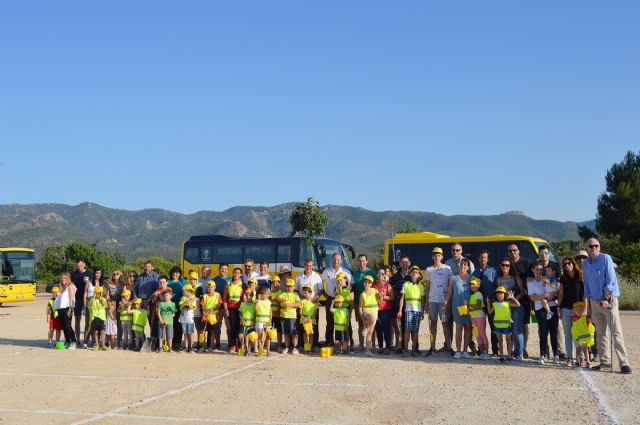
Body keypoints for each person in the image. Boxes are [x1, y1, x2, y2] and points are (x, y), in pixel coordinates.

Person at [583, 238, 632, 374]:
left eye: (596, 245)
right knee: (600, 333)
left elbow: (611, 281)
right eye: (590, 246)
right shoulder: (586, 263)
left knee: (616, 332)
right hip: (594, 301)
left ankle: (624, 363)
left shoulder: (606, 259)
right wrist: (589, 306)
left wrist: (606, 298)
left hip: (608, 300)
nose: (593, 248)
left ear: (599, 247)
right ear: (587, 248)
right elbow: (586, 284)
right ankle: (605, 362)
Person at [528, 262, 560, 365]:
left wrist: (542, 296)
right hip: (539, 309)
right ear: (533, 270)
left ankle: (556, 355)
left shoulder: (548, 280)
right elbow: (532, 298)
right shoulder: (530, 283)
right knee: (543, 332)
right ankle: (542, 354)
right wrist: (545, 296)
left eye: (541, 269)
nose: (539, 271)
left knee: (554, 332)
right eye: (537, 269)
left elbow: (554, 293)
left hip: (553, 307)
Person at [495, 258, 526, 361]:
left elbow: (522, 291)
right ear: (500, 266)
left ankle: (520, 352)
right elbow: (499, 294)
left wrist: (513, 300)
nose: (505, 267)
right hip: (504, 308)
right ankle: (510, 352)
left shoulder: (515, 278)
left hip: (516, 306)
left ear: (510, 267)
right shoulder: (499, 279)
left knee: (517, 330)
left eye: (507, 265)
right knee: (509, 331)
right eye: (503, 265)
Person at [424, 247, 453, 356]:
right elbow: (427, 287)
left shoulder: (447, 268)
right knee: (433, 324)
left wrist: (447, 300)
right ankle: (432, 347)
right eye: (435, 255)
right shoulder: (428, 270)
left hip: (443, 301)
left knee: (445, 324)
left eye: (439, 255)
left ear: (442, 256)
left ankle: (449, 347)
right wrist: (426, 302)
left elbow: (450, 286)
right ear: (432, 256)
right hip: (432, 300)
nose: (437, 257)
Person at [320, 252, 353, 347]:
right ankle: (329, 342)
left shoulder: (346, 272)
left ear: (341, 261)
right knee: (330, 322)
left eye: (338, 259)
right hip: (331, 299)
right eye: (334, 259)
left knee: (345, 323)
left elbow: (351, 286)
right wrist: (327, 297)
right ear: (332, 260)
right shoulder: (326, 272)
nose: (336, 261)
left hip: (343, 302)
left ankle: (348, 344)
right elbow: (322, 286)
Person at [558, 257, 585, 366]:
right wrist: (559, 308)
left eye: (569, 263)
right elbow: (561, 294)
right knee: (568, 335)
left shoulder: (580, 276)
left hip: (578, 309)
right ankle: (570, 358)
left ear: (573, 263)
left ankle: (581, 357)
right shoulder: (563, 278)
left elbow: (584, 294)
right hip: (565, 309)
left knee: (579, 334)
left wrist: (585, 309)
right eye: (564, 264)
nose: (567, 265)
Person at [507, 243, 532, 358]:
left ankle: (524, 348)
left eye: (514, 250)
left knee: (524, 325)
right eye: (510, 251)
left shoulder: (526, 263)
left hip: (524, 299)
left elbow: (530, 282)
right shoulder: (507, 264)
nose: (513, 252)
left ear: (518, 251)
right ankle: (516, 348)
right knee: (514, 326)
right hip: (510, 301)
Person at [472, 250, 497, 356]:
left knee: (493, 326)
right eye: (481, 257)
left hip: (490, 301)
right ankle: (481, 348)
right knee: (479, 327)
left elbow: (496, 286)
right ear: (479, 258)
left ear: (488, 259)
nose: (483, 259)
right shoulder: (475, 272)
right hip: (479, 303)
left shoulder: (493, 271)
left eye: (485, 257)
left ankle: (495, 349)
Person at [397, 265, 426, 357]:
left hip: (417, 311)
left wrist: (422, 312)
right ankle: (406, 349)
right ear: (410, 274)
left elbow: (422, 300)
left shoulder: (421, 286)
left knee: (415, 331)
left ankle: (413, 350)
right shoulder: (406, 285)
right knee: (407, 330)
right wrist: (400, 310)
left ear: (419, 275)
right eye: (413, 272)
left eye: (416, 272)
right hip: (408, 310)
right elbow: (402, 298)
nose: (414, 273)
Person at [294, 259, 323, 350]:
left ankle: (315, 345)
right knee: (302, 326)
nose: (308, 267)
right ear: (304, 266)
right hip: (303, 304)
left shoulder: (317, 276)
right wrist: (301, 299)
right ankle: (302, 345)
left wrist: (317, 296)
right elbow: (296, 290)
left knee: (314, 326)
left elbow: (321, 289)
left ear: (312, 266)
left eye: (310, 266)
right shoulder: (299, 277)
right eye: (307, 265)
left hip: (313, 304)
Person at [487, 286, 520, 363]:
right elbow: (489, 312)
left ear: (504, 295)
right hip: (497, 326)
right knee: (500, 341)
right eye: (498, 294)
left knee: (508, 341)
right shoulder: (494, 304)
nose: (499, 295)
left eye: (501, 294)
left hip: (507, 325)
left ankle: (509, 356)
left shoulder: (507, 303)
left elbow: (518, 305)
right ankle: (501, 357)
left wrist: (512, 297)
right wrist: (488, 303)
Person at [352, 254, 377, 351]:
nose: (362, 262)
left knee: (371, 324)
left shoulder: (371, 272)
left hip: (370, 303)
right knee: (361, 324)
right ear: (358, 262)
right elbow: (352, 288)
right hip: (359, 302)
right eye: (360, 261)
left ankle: (373, 345)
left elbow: (376, 284)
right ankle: (361, 344)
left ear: (366, 261)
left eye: (363, 261)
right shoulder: (355, 273)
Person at [449, 259, 472, 359]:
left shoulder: (472, 278)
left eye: (465, 265)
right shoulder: (453, 278)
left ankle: (465, 351)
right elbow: (449, 292)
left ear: (468, 267)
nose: (463, 266)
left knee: (468, 328)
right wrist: (446, 302)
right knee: (459, 328)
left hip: (469, 307)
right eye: (462, 264)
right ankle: (458, 351)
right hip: (457, 306)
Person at [389, 255, 411, 352]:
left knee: (407, 326)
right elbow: (391, 288)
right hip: (397, 304)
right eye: (402, 262)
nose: (404, 263)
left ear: (409, 263)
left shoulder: (412, 276)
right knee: (398, 325)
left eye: (406, 262)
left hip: (409, 305)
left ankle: (411, 346)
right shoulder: (395, 277)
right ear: (400, 264)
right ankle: (400, 346)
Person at [70, 259, 92, 348]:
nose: (79, 267)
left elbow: (94, 284)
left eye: (81, 265)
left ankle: (88, 340)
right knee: (77, 320)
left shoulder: (90, 274)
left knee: (89, 321)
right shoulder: (73, 274)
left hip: (88, 299)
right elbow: (70, 284)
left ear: (84, 264)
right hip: (77, 299)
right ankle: (78, 339)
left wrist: (88, 282)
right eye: (77, 266)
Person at [223, 267, 246, 353]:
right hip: (231, 309)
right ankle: (233, 345)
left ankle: (240, 345)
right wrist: (226, 310)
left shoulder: (243, 285)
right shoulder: (228, 284)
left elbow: (246, 299)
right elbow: (224, 298)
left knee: (240, 328)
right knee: (232, 328)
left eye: (238, 273)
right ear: (232, 274)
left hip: (240, 310)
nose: (236, 275)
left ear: (240, 275)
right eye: (235, 273)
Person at [374, 267, 394, 355]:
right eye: (379, 273)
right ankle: (381, 347)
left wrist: (383, 297)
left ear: (385, 275)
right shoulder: (373, 285)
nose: (380, 275)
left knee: (386, 329)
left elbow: (393, 297)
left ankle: (388, 347)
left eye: (382, 274)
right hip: (376, 310)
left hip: (386, 310)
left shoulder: (387, 285)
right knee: (378, 329)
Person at [54, 272, 77, 349]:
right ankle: (67, 341)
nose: (63, 279)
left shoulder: (71, 287)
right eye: (62, 278)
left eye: (65, 278)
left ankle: (73, 341)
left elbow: (71, 298)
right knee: (64, 326)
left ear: (68, 279)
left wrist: (70, 309)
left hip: (67, 308)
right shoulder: (62, 288)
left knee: (68, 326)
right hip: (60, 309)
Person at [277, 279, 301, 354]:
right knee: (286, 333)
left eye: (291, 286)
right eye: (287, 286)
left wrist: (290, 305)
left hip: (292, 316)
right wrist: (283, 300)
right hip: (283, 316)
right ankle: (287, 347)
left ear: (294, 287)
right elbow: (278, 298)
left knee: (294, 333)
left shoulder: (295, 295)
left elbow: (299, 304)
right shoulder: (283, 294)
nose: (289, 288)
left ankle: (295, 347)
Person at [468, 277, 489, 360]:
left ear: (478, 286)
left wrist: (469, 305)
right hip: (473, 317)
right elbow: (472, 308)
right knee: (477, 335)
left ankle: (486, 353)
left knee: (482, 334)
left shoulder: (479, 294)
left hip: (480, 316)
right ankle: (482, 353)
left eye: (473, 284)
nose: (471, 286)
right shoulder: (472, 295)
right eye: (471, 284)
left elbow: (478, 306)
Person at [358, 275, 379, 356]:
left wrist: (381, 297)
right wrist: (363, 319)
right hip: (366, 312)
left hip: (375, 312)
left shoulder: (375, 291)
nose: (367, 284)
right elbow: (360, 308)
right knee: (372, 318)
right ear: (363, 283)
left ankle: (367, 350)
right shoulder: (362, 294)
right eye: (365, 282)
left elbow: (379, 301)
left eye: (368, 283)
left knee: (370, 332)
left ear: (371, 284)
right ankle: (365, 327)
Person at [571, 301, 595, 368]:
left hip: (584, 338)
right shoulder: (574, 318)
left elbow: (590, 322)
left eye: (581, 309)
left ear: (583, 310)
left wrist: (589, 317)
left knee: (585, 350)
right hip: (576, 337)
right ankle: (577, 362)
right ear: (574, 310)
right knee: (577, 350)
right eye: (577, 310)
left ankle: (587, 362)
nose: (579, 311)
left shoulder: (585, 318)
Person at [213, 264, 231, 349]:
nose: (224, 270)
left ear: (228, 270)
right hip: (218, 307)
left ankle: (230, 343)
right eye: (222, 269)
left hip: (228, 307)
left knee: (229, 327)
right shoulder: (214, 280)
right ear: (219, 269)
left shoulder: (231, 279)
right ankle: (217, 343)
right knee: (217, 326)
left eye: (225, 269)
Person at [105, 270, 125, 348]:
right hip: (112, 305)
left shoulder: (123, 284)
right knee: (110, 323)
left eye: (117, 274)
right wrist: (109, 306)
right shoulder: (109, 285)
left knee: (119, 324)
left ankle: (119, 341)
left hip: (120, 305)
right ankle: (108, 342)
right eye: (114, 274)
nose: (116, 275)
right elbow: (107, 296)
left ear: (120, 275)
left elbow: (124, 295)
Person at [201, 281, 222, 352]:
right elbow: (202, 306)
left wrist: (212, 309)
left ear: (215, 287)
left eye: (211, 287)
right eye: (208, 287)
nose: (210, 289)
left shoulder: (217, 295)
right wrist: (206, 310)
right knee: (203, 331)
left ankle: (211, 346)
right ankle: (202, 346)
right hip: (206, 316)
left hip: (214, 316)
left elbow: (219, 305)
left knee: (212, 331)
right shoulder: (204, 296)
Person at [168, 266, 186, 350]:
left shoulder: (183, 281)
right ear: (171, 273)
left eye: (177, 273)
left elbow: (188, 291)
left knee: (179, 325)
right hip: (169, 307)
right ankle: (171, 342)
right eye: (174, 272)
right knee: (171, 325)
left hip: (180, 307)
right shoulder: (168, 282)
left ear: (180, 274)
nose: (175, 274)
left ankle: (178, 342)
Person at [88, 285, 108, 351]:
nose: (98, 294)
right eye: (96, 293)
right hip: (94, 317)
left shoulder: (103, 299)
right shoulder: (92, 300)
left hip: (101, 318)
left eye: (99, 293)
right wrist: (94, 298)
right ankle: (97, 345)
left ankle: (103, 345)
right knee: (95, 332)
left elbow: (105, 305)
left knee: (103, 331)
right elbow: (91, 306)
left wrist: (101, 298)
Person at [157, 288, 177, 352]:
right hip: (161, 322)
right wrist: (161, 320)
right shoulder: (161, 304)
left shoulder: (173, 304)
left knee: (169, 335)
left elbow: (173, 314)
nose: (166, 297)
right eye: (165, 295)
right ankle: (160, 347)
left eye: (167, 295)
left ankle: (170, 347)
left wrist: (166, 320)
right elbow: (158, 313)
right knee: (161, 335)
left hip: (169, 322)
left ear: (171, 296)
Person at [254, 286, 272, 356]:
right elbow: (255, 309)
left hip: (267, 321)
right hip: (259, 321)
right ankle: (260, 349)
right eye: (266, 294)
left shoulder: (268, 301)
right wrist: (258, 300)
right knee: (260, 336)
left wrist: (270, 320)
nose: (267, 295)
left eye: (267, 294)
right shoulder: (257, 301)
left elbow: (270, 311)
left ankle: (268, 350)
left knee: (268, 336)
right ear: (261, 294)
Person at [300, 286, 318, 353]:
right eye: (304, 293)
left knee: (310, 334)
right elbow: (300, 311)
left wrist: (312, 318)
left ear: (311, 293)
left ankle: (310, 348)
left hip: (311, 321)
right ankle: (306, 348)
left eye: (306, 293)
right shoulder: (302, 301)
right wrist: (303, 317)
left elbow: (315, 312)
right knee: (305, 334)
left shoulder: (314, 302)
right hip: (304, 320)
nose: (305, 294)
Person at [179, 284, 197, 353]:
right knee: (185, 333)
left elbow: (191, 307)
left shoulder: (193, 298)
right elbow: (181, 307)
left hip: (190, 319)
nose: (189, 293)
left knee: (191, 333)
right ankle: (186, 347)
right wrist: (186, 301)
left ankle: (191, 347)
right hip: (183, 319)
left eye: (190, 291)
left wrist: (188, 301)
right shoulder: (182, 298)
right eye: (187, 291)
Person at [269, 275, 284, 352]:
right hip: (270, 315)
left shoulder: (281, 292)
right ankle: (269, 344)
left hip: (278, 314)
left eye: (277, 283)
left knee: (279, 330)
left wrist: (275, 298)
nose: (275, 285)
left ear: (279, 283)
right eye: (274, 283)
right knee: (269, 329)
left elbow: (282, 300)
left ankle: (279, 344)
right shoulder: (269, 293)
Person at [239, 288, 256, 355]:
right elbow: (240, 313)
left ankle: (248, 349)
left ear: (252, 296)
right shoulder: (242, 304)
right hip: (244, 323)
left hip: (251, 324)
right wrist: (242, 320)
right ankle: (244, 347)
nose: (248, 297)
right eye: (247, 295)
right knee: (241, 336)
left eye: (249, 295)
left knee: (250, 337)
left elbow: (255, 314)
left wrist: (254, 323)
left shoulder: (254, 304)